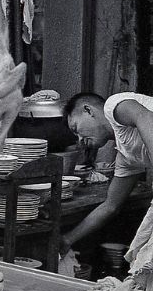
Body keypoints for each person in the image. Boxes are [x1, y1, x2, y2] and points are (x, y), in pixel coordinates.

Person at [60, 91, 153, 257]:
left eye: (76, 129)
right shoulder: (127, 156)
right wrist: (68, 239)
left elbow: (143, 116)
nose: (80, 140)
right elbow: (110, 206)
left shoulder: (113, 105)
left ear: (88, 110)